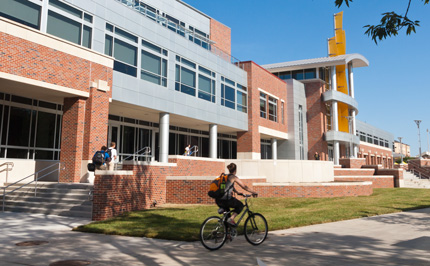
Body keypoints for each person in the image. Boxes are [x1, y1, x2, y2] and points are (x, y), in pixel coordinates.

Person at [216, 163, 258, 227]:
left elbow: (227, 186)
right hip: (226, 200)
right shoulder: (233, 177)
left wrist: (237, 192)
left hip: (218, 199)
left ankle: (227, 235)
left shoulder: (225, 176)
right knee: (240, 205)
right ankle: (231, 219)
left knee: (227, 217)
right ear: (235, 170)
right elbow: (244, 186)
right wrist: (254, 192)